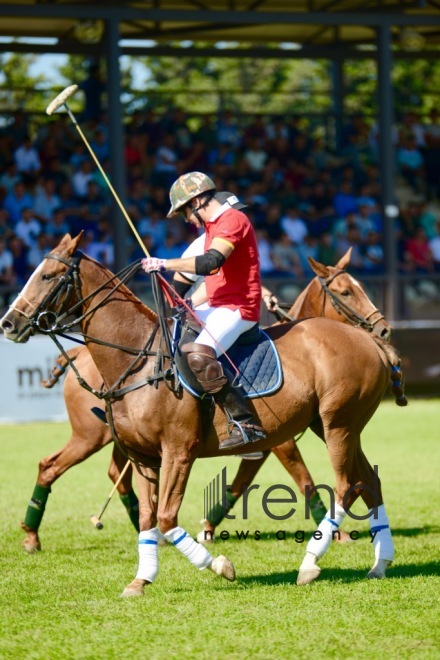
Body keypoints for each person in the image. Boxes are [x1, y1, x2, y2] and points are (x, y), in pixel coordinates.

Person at [141, 173, 266, 450]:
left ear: (197, 201)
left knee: (198, 354)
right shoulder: (211, 227)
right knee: (173, 339)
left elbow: (211, 262)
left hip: (239, 308)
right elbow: (193, 274)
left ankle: (246, 424)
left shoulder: (233, 220)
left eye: (185, 211)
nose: (187, 219)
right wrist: (175, 300)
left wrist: (164, 263)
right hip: (217, 306)